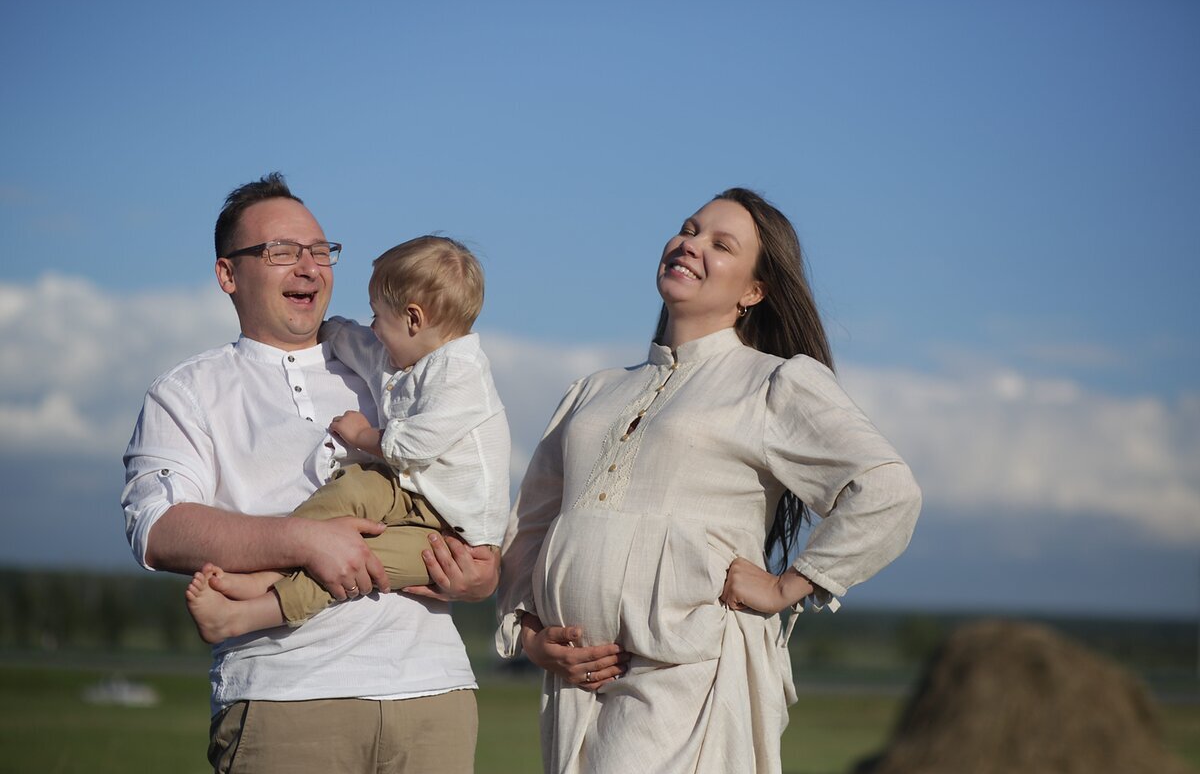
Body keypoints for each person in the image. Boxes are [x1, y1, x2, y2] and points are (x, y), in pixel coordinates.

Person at [495, 188, 922, 774]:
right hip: (574, 684)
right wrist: (531, 637)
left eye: (721, 245)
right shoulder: (592, 391)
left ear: (754, 292)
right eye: (689, 229)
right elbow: (532, 522)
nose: (690, 245)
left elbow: (888, 490)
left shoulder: (774, 383)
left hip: (691, 673)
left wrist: (788, 585)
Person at [121, 173, 497, 773]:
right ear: (228, 274)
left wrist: (483, 570)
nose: (308, 267)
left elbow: (469, 474)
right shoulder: (187, 391)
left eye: (320, 251)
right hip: (285, 696)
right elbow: (157, 529)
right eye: (281, 251)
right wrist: (304, 540)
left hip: (434, 693)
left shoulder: (398, 363)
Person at [183, 235, 511, 644]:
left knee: (358, 559)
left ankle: (249, 614)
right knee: (351, 486)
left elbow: (417, 445)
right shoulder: (408, 356)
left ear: (413, 319)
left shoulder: (463, 373)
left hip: (452, 530)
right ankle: (271, 568)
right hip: (410, 489)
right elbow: (363, 347)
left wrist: (362, 435)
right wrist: (325, 328)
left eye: (377, 316)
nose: (372, 326)